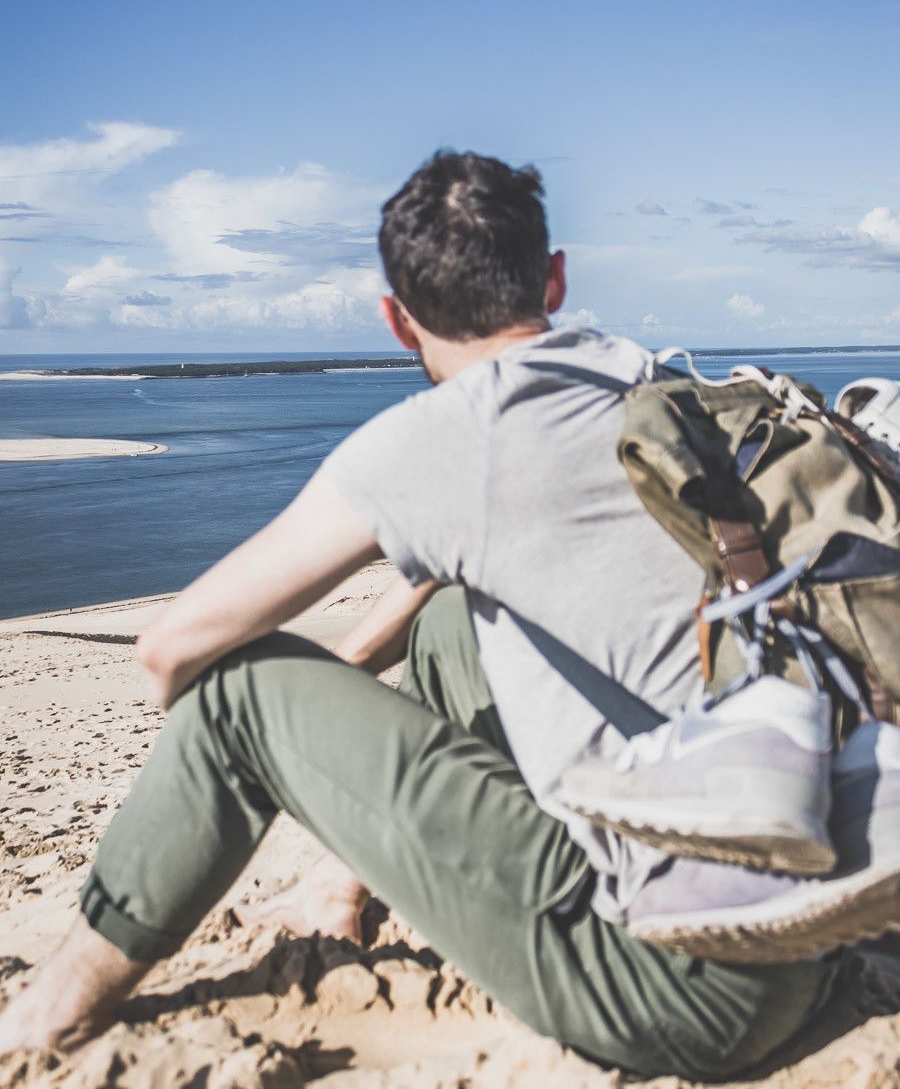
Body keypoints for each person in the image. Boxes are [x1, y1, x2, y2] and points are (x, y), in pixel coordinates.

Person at [0, 151, 892, 1078]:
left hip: (689, 981)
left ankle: (49, 1010)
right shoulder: (655, 391)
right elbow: (438, 590)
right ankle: (337, 883)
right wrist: (335, 780)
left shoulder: (442, 438)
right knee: (450, 624)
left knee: (235, 696)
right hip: (832, 902)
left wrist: (275, 741)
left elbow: (165, 652)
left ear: (396, 318)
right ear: (553, 278)